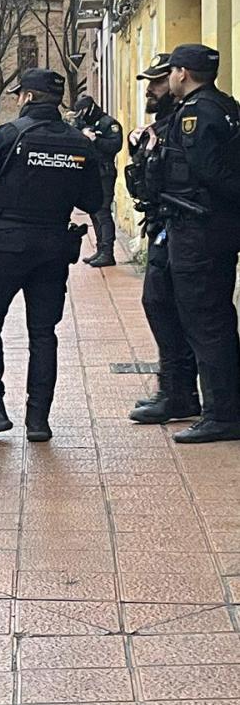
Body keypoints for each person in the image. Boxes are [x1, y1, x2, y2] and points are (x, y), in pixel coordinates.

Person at [0, 68, 102, 443]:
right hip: (54, 246)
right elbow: (93, 201)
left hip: (6, 244)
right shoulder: (78, 142)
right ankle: (38, 420)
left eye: (20, 94)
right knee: (43, 332)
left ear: (29, 98)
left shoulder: (9, 135)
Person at [158, 43, 240, 443]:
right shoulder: (227, 105)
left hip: (199, 229)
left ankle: (222, 414)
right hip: (215, 227)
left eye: (172, 70)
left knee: (206, 320)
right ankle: (219, 407)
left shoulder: (195, 114)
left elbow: (208, 171)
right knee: (215, 317)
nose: (169, 77)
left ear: (183, 73)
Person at [124, 52, 201, 424]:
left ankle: (178, 393)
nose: (150, 90)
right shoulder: (164, 124)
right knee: (159, 303)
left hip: (182, 228)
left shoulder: (186, 120)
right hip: (163, 224)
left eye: (157, 82)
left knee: (171, 306)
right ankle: (176, 391)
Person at [73, 95, 125, 267]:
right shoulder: (83, 124)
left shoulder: (109, 124)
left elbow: (115, 146)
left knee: (102, 211)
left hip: (104, 172)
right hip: (89, 172)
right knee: (94, 211)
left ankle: (108, 252)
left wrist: (95, 139)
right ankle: (100, 249)